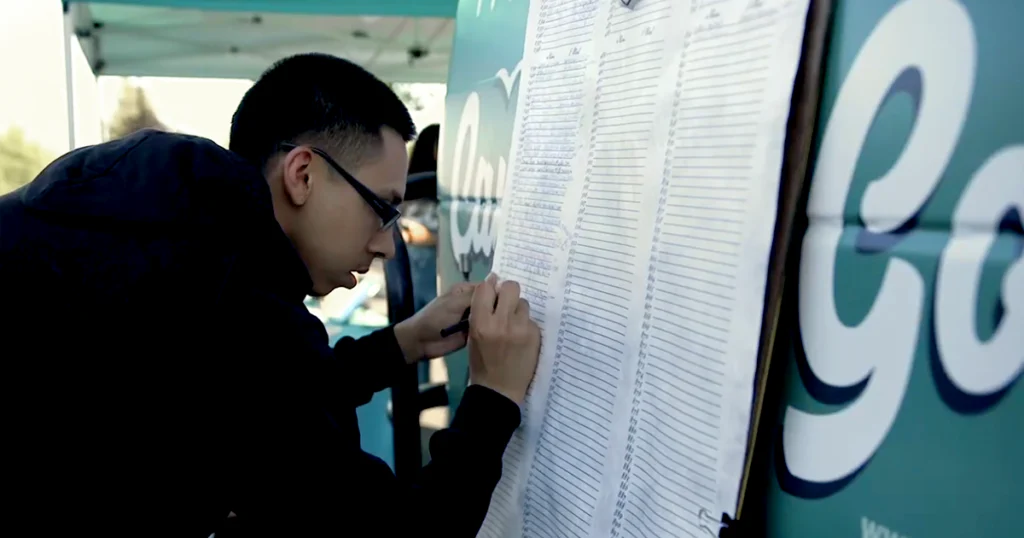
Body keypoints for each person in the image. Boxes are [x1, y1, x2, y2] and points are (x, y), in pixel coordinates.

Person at [0, 53, 540, 537]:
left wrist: (402, 343)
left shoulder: (158, 214)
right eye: (381, 209)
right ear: (303, 173)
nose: (386, 245)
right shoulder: (230, 298)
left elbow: (270, 401)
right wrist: (494, 395)